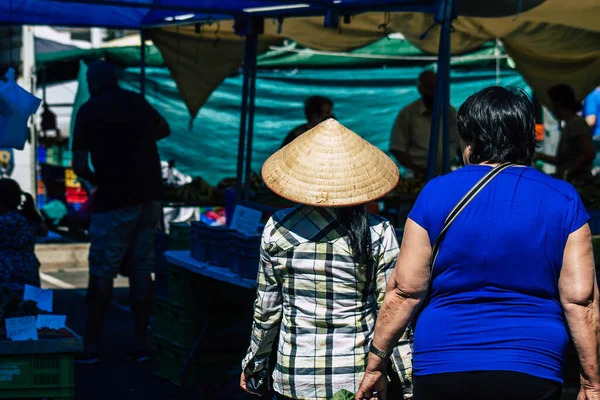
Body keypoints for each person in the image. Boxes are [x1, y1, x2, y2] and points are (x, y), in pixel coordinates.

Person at [356, 87, 600, 400]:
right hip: (531, 363)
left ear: (469, 138)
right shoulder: (564, 198)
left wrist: (376, 363)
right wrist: (591, 383)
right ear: (528, 137)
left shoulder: (435, 193)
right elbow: (582, 300)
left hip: (442, 363)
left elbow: (405, 290)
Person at [241, 119, 413, 400]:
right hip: (358, 380)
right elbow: (393, 311)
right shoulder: (378, 231)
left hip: (294, 377)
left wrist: (254, 364)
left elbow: (267, 310)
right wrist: (406, 381)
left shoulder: (278, 227)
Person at [72, 60, 170, 364]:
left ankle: (90, 346)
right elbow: (164, 129)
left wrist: (102, 178)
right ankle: (141, 343)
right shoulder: (136, 101)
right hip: (150, 198)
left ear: (93, 82)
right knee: (142, 269)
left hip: (114, 201)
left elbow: (78, 165)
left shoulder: (88, 111)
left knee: (102, 271)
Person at [389, 70, 460, 178]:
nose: (432, 91)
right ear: (420, 89)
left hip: (446, 172)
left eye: (435, 86)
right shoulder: (408, 113)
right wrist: (416, 170)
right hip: (417, 174)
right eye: (428, 87)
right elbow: (397, 147)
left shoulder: (448, 112)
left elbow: (459, 143)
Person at [535, 84, 595, 182]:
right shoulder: (569, 124)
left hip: (579, 183)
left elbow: (589, 152)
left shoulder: (575, 124)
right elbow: (563, 161)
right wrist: (540, 156)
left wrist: (570, 172)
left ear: (558, 105)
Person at [0, 179, 47, 290]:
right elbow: (44, 231)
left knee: (7, 305)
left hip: (5, 274)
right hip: (29, 269)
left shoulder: (3, 221)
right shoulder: (28, 218)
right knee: (33, 305)